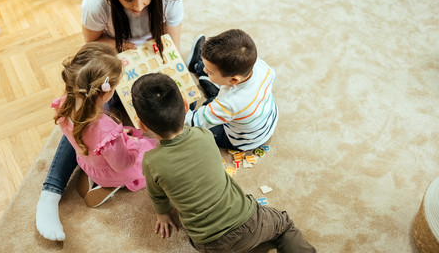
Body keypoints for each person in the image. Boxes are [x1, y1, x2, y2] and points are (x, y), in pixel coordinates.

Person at [36, 0, 183, 241]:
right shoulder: (96, 3)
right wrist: (122, 45)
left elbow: (170, 47)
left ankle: (99, 169)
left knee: (163, 113)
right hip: (115, 60)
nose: (139, 7)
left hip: (150, 62)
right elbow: (90, 48)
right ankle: (50, 192)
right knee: (83, 112)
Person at [131, 73, 316, 253]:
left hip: (207, 243)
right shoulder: (203, 135)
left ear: (142, 125)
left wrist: (162, 214)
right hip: (248, 222)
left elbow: (158, 196)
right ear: (186, 106)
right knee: (282, 224)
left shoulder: (151, 162)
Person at [37, 42, 157, 241]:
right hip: (112, 171)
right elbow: (123, 163)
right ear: (106, 92)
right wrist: (132, 144)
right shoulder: (106, 129)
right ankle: (110, 184)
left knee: (124, 139)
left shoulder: (64, 106)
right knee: (150, 150)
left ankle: (94, 177)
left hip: (86, 163)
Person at [185, 29, 278, 151]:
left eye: (209, 72)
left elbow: (195, 122)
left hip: (242, 140)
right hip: (266, 121)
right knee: (218, 83)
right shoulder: (261, 66)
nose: (205, 71)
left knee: (197, 130)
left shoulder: (228, 103)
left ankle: (204, 75)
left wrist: (184, 109)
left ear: (234, 80)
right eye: (205, 68)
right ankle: (198, 67)